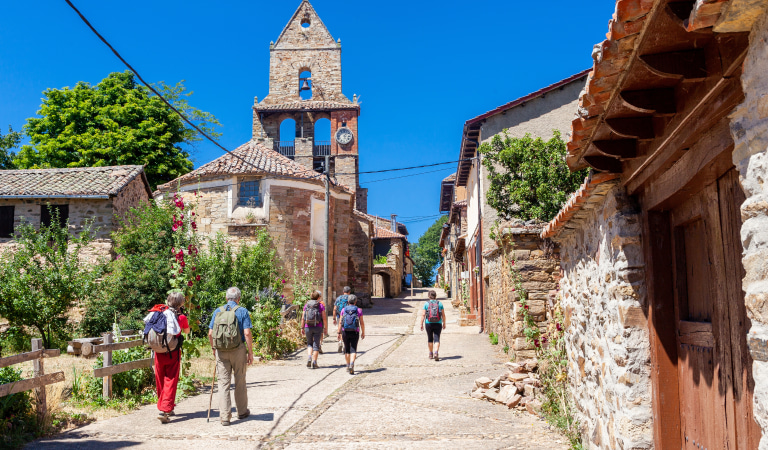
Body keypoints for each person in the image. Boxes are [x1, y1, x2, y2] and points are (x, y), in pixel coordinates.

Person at [208, 287, 254, 426]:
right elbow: (246, 333)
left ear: (226, 298)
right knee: (240, 380)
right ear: (238, 298)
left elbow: (210, 333)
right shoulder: (242, 311)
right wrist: (250, 352)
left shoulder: (218, 311)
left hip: (222, 351)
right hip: (238, 350)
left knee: (223, 383)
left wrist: (214, 348)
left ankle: (225, 417)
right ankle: (242, 412)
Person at [145, 292, 190, 424]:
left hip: (158, 351)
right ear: (181, 304)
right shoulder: (181, 317)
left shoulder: (160, 313)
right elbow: (186, 331)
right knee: (170, 379)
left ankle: (165, 405)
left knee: (160, 379)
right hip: (173, 352)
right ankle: (164, 410)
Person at [336, 295, 365, 374]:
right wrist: (363, 332)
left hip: (345, 331)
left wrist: (339, 332)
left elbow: (340, 322)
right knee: (353, 348)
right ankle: (352, 364)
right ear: (356, 302)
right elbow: (361, 322)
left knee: (347, 348)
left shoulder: (343, 309)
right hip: (355, 331)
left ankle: (347, 365)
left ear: (348, 302)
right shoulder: (358, 310)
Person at [419, 290, 446, 361]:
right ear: (435, 296)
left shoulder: (426, 304)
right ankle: (436, 352)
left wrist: (421, 324)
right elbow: (443, 315)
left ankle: (431, 353)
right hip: (438, 323)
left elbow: (423, 315)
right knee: (437, 338)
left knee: (430, 338)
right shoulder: (440, 304)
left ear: (429, 296)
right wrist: (444, 323)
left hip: (428, 323)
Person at [302, 290, 326, 369]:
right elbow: (324, 317)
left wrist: (302, 327)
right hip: (318, 326)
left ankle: (309, 357)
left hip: (307, 326)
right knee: (316, 345)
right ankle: (314, 362)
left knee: (309, 343)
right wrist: (325, 327)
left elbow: (303, 318)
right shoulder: (320, 305)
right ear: (318, 298)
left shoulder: (306, 305)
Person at [332, 286, 352, 353]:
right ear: (349, 292)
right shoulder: (350, 298)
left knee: (339, 329)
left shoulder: (339, 298)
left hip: (339, 316)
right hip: (348, 316)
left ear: (343, 291)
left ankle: (340, 342)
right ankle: (345, 345)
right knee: (345, 330)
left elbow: (334, 309)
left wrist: (334, 318)